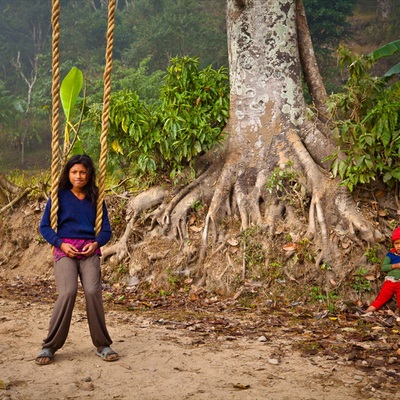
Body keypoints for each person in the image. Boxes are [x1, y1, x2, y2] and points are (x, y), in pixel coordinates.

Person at [35, 154, 119, 365]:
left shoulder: (96, 197)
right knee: (68, 291)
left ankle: (102, 344)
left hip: (89, 250)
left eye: (82, 172)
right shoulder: (59, 196)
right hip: (65, 250)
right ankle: (50, 346)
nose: (78, 176)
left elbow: (106, 230)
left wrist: (96, 243)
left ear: (89, 174)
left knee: (92, 291)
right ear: (68, 174)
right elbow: (44, 227)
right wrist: (61, 244)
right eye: (74, 172)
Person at [365, 227, 400, 314]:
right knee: (381, 299)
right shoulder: (390, 255)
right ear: (393, 244)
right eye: (396, 243)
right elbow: (384, 267)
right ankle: (366, 312)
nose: (399, 246)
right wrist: (396, 265)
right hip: (390, 282)